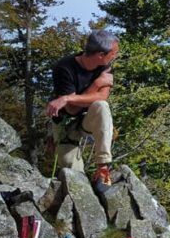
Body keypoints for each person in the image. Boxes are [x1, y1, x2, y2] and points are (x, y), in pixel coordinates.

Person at [46, 30, 119, 189]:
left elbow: (102, 97)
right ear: (101, 55)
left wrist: (68, 98)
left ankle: (103, 167)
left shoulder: (105, 67)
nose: (115, 56)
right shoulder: (64, 68)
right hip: (66, 125)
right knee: (76, 182)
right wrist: (97, 84)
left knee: (101, 106)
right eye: (113, 53)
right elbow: (72, 109)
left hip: (88, 119)